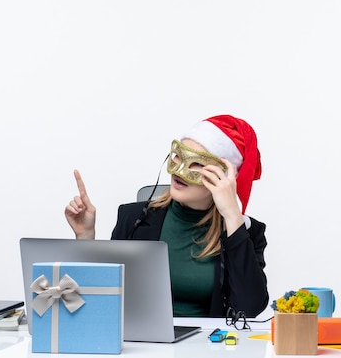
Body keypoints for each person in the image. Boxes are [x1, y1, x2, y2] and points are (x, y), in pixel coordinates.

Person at [64, 114, 268, 318]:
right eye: (178, 156)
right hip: (140, 345)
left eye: (196, 163)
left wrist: (232, 216)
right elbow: (104, 297)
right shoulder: (132, 217)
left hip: (207, 346)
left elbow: (248, 308)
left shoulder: (247, 233)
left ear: (223, 178)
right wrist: (85, 237)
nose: (179, 170)